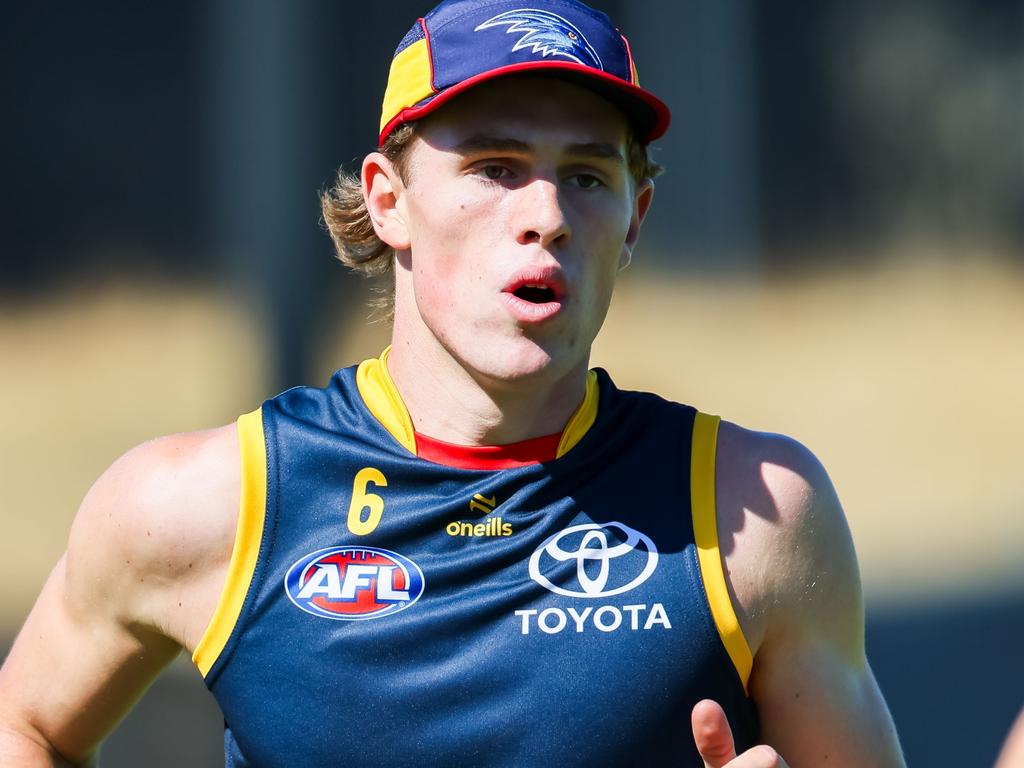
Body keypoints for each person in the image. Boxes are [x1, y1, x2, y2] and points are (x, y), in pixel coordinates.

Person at [0, 1, 906, 765]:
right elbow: (26, 723)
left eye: (586, 176)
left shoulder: (754, 514)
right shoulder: (208, 508)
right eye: (495, 168)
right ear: (388, 199)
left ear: (635, 218)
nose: (545, 216)